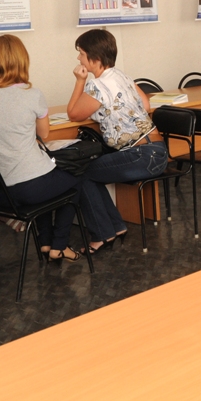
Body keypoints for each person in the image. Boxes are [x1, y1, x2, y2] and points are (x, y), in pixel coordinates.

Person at [0, 35, 100, 263]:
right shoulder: (32, 94)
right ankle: (59, 245)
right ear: (22, 60)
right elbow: (43, 133)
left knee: (45, 180)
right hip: (32, 188)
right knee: (76, 179)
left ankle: (45, 243)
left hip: (0, 193)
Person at [67, 29, 167, 252]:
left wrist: (80, 81)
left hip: (140, 155)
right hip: (157, 151)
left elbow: (73, 114)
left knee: (82, 173)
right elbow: (146, 105)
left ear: (94, 58)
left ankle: (103, 234)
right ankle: (115, 227)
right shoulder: (122, 75)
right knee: (91, 172)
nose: (78, 58)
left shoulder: (97, 85)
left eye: (81, 53)